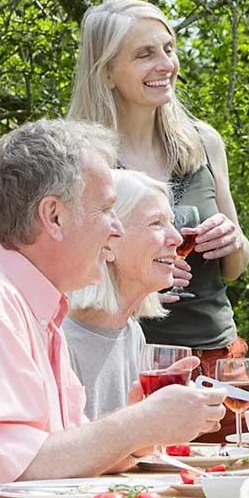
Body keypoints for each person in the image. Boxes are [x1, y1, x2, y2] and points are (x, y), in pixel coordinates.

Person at [0, 119, 227, 498]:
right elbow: (12, 485)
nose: (115, 228)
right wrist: (138, 423)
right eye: (107, 209)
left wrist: (139, 432)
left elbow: (62, 458)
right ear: (53, 216)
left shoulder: (30, 305)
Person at [68, 0, 249, 441]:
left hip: (219, 355)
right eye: (145, 53)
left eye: (168, 49)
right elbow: (70, 276)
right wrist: (144, 275)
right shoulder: (81, 161)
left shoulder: (204, 142)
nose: (165, 63)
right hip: (136, 363)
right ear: (106, 71)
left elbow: (237, 265)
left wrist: (231, 239)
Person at [65, 169, 181, 420]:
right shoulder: (60, 339)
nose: (177, 238)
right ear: (108, 242)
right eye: (157, 223)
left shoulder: (131, 334)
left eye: (171, 222)